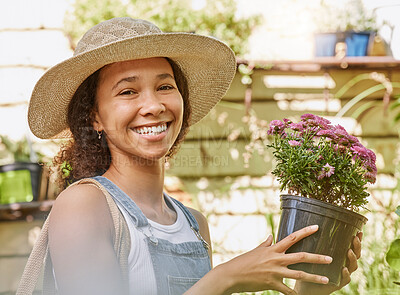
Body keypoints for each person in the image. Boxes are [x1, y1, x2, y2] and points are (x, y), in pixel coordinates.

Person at [26, 17, 362, 295]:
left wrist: (311, 288)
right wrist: (225, 279)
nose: (154, 105)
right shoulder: (85, 205)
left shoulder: (193, 224)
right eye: (127, 91)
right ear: (94, 117)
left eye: (165, 86)